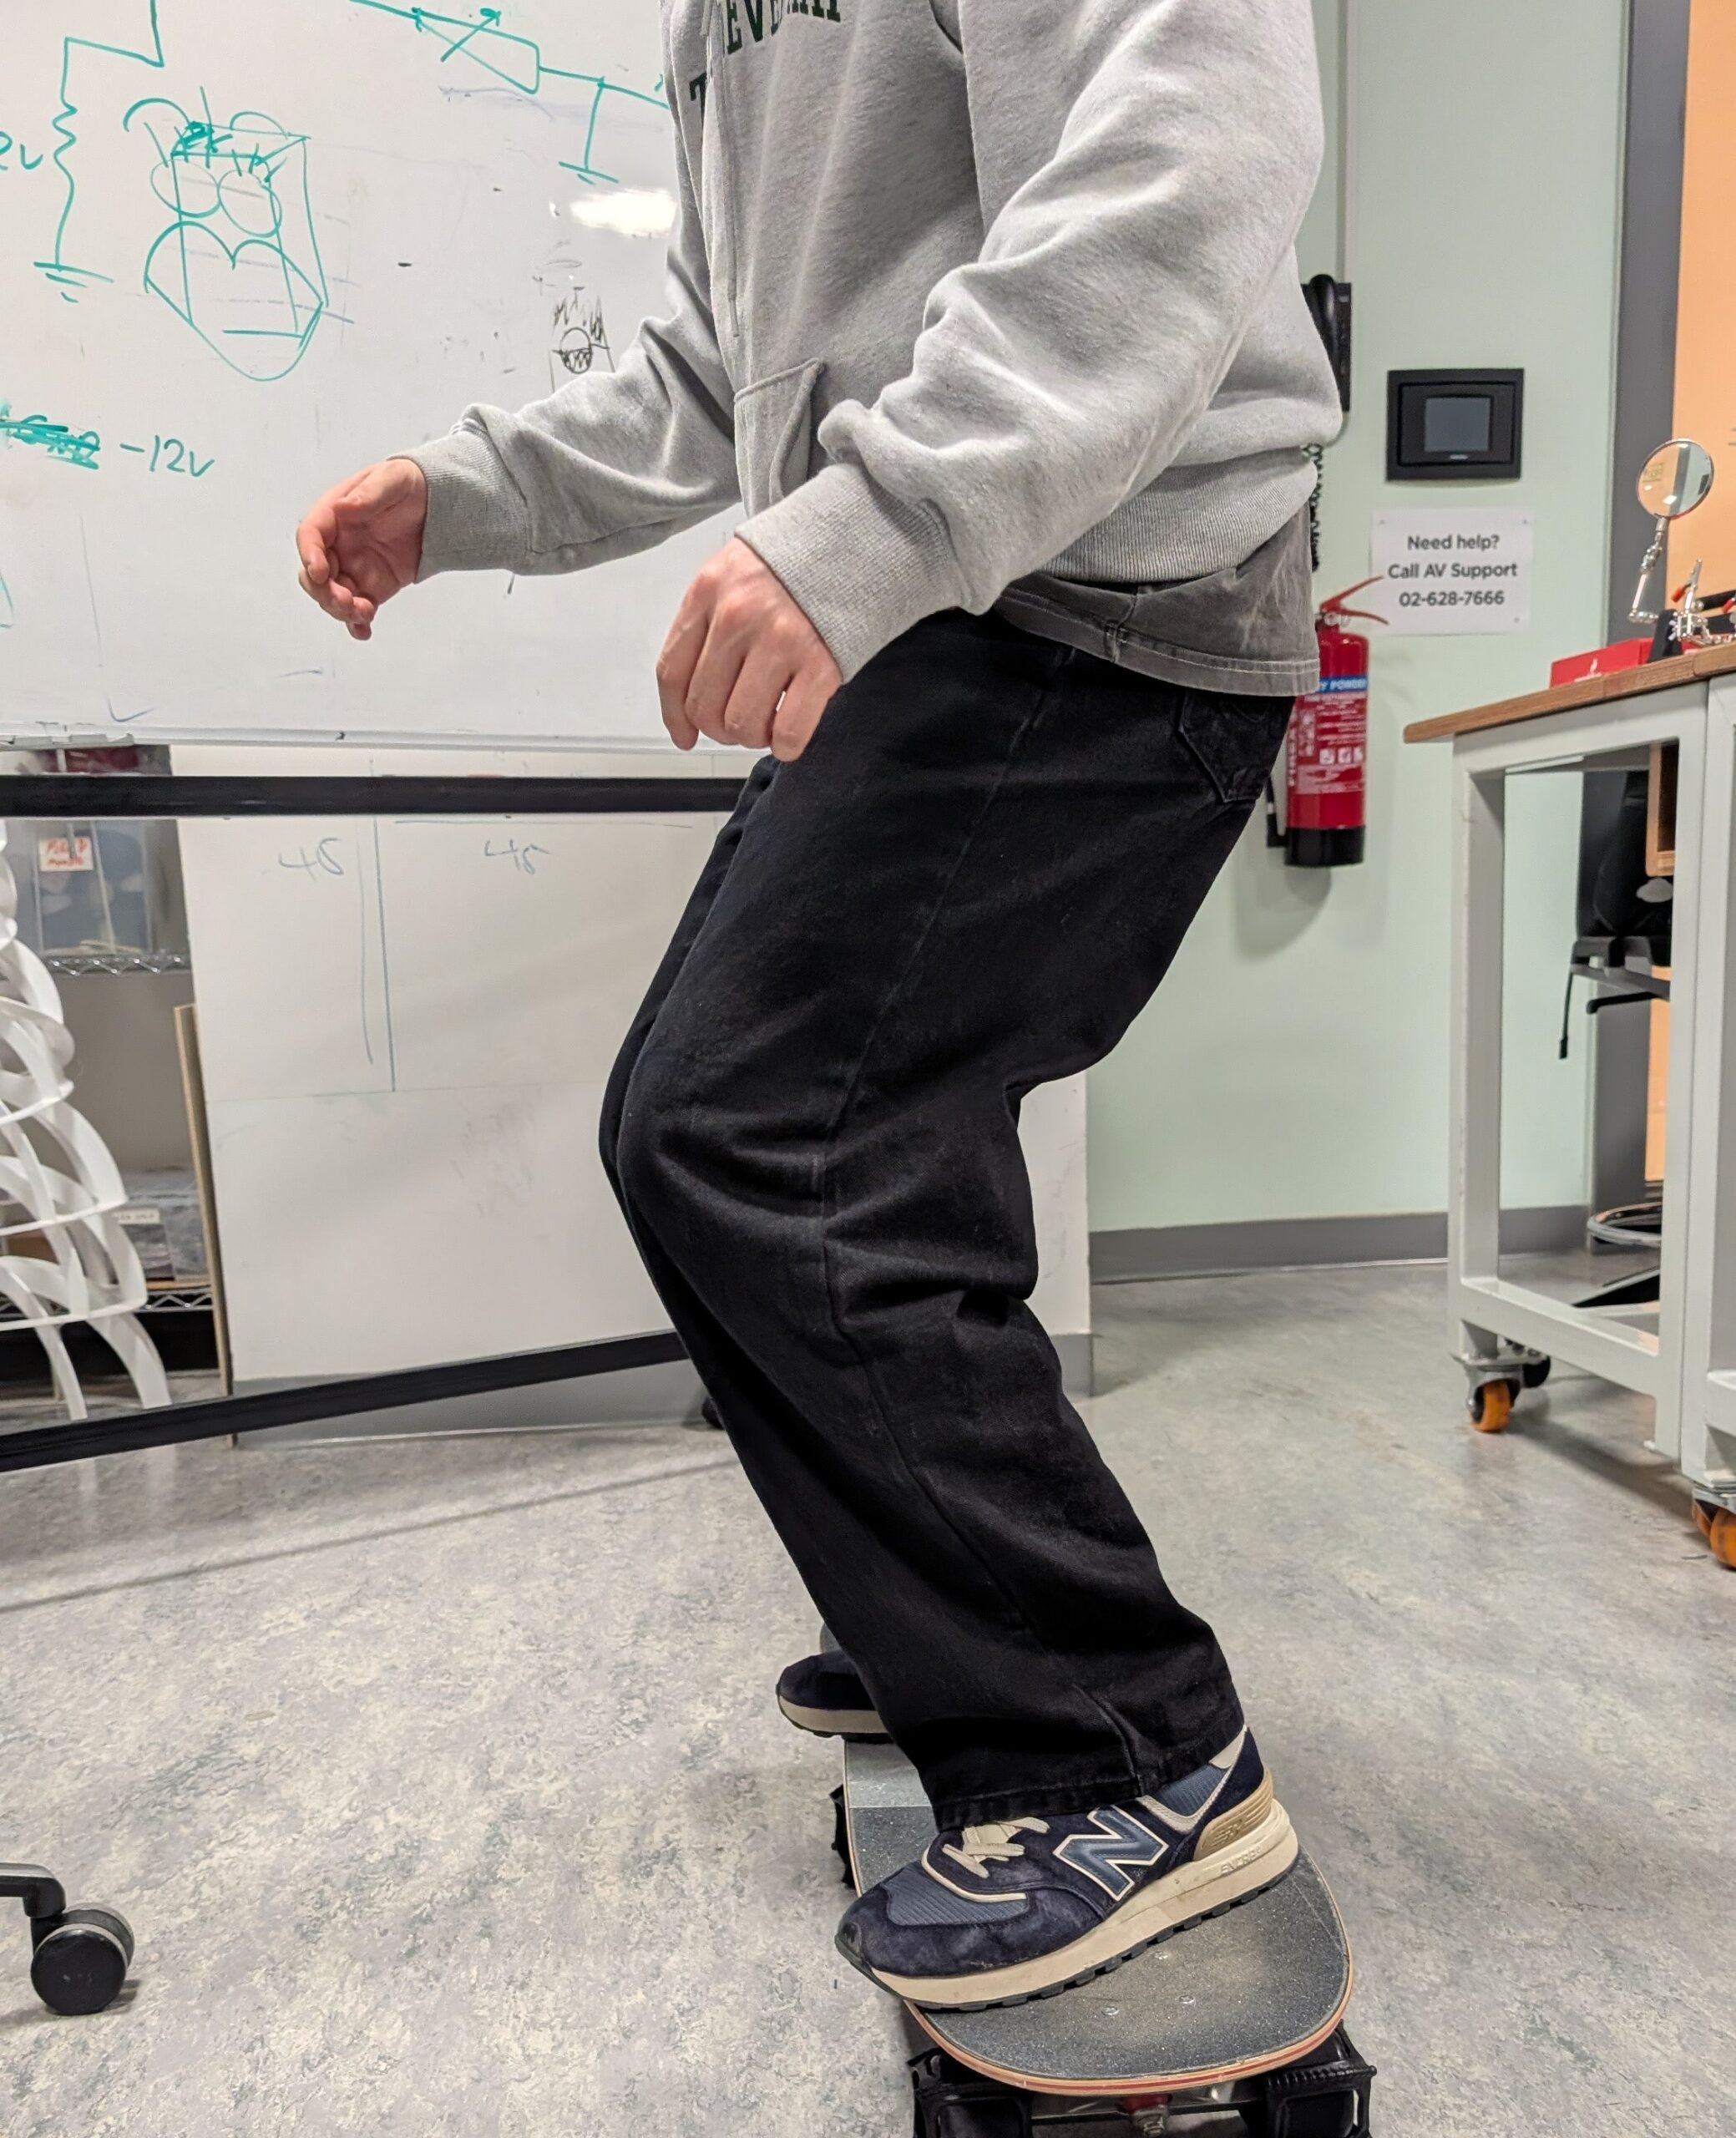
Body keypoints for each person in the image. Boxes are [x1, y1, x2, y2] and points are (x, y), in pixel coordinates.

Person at [296, 0, 1342, 2011]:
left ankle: (1126, 1757)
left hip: (1102, 594)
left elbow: (1187, 158)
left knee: (768, 1139)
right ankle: (959, 1613)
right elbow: (731, 357)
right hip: (943, 602)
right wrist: (465, 494)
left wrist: (878, 518)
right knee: (744, 1132)